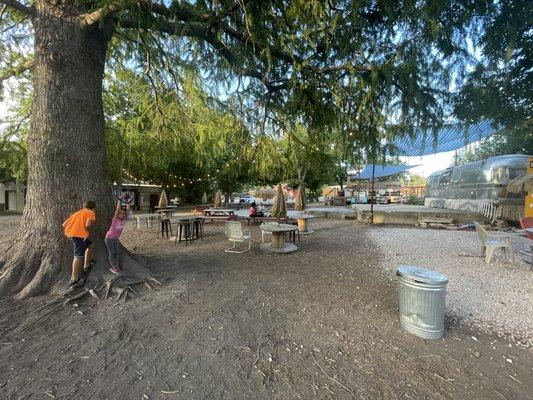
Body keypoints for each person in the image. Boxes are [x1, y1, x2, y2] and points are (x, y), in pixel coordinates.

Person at [63, 201, 96, 286]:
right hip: (80, 236)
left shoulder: (77, 213)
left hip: (72, 235)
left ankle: (87, 265)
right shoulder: (91, 212)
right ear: (93, 208)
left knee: (90, 245)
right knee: (78, 256)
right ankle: (74, 279)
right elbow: (88, 225)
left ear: (84, 206)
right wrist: (85, 228)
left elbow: (64, 224)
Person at [105, 201, 130, 275]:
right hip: (109, 238)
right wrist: (120, 200)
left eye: (123, 213)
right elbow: (117, 209)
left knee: (117, 253)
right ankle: (113, 267)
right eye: (120, 213)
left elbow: (128, 210)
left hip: (116, 239)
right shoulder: (115, 219)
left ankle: (116, 265)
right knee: (112, 253)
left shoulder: (124, 220)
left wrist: (128, 202)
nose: (121, 215)